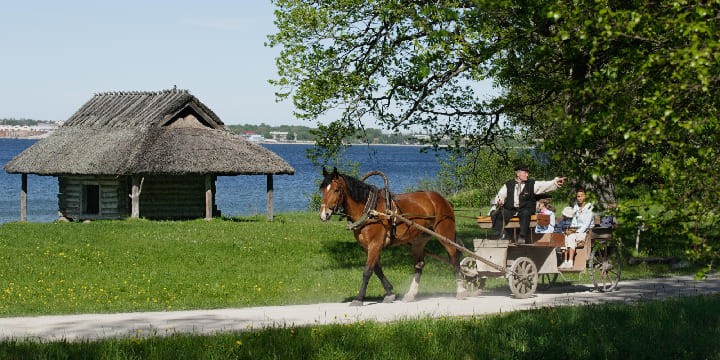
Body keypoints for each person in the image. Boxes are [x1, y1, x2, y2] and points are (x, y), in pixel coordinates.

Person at [491, 164, 566, 243]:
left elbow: (544, 185)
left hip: (525, 209)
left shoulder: (532, 184)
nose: (527, 175)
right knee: (497, 213)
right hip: (511, 210)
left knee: (525, 213)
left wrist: (555, 182)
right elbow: (501, 195)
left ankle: (522, 236)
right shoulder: (508, 184)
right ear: (518, 174)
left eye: (528, 173)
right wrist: (499, 201)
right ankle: (498, 233)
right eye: (525, 173)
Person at [560, 188, 594, 269]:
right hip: (576, 231)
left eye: (581, 196)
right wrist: (570, 229)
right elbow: (574, 221)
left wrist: (575, 232)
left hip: (585, 232)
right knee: (564, 235)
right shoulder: (575, 207)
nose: (580, 198)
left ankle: (570, 261)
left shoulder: (589, 208)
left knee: (571, 237)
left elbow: (586, 224)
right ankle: (565, 261)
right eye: (578, 196)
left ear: (585, 197)